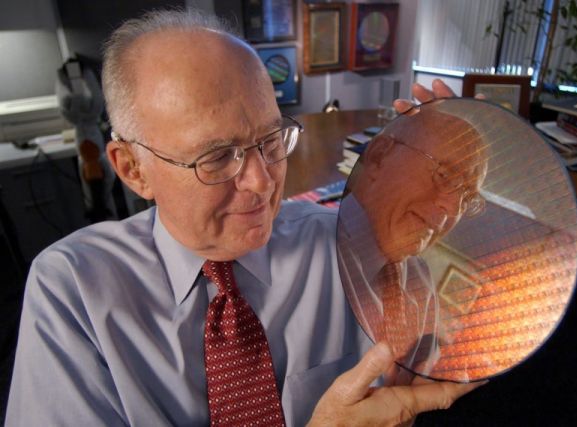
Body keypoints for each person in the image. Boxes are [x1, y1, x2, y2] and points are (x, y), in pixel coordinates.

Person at [6, 9, 483, 426]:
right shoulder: (73, 290)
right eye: (216, 157)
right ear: (133, 169)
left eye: (271, 141)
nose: (262, 182)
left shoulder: (344, 246)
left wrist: (440, 161)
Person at [338, 102, 489, 377]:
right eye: (445, 175)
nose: (453, 209)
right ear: (379, 157)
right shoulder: (302, 260)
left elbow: (424, 369)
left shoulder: (419, 278)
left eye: (468, 197)